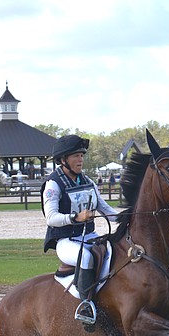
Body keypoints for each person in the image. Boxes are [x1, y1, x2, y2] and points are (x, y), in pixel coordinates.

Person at [42, 134, 119, 323]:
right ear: (63, 160)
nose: (81, 159)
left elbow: (105, 209)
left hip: (90, 236)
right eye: (76, 156)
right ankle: (86, 306)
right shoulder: (53, 184)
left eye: (82, 155)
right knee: (85, 257)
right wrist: (75, 217)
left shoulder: (88, 181)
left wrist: (128, 217)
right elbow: (51, 218)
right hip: (66, 241)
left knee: (115, 251)